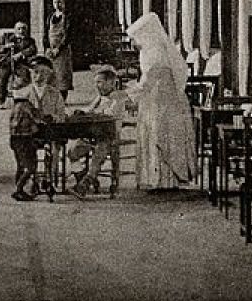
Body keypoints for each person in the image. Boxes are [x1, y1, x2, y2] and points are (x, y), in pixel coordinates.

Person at [127, 12, 196, 191]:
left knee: (160, 133)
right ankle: (157, 179)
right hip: (155, 98)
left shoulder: (156, 51)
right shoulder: (149, 50)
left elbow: (149, 79)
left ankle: (163, 180)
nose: (135, 42)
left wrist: (132, 92)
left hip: (162, 98)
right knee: (154, 134)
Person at [66, 67, 127, 195]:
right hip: (93, 134)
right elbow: (89, 109)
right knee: (73, 151)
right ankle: (82, 177)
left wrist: (95, 112)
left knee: (99, 153)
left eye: (100, 82)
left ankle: (86, 183)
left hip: (109, 136)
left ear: (110, 82)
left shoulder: (119, 97)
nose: (97, 86)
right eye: (96, 82)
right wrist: (81, 112)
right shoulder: (99, 97)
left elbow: (111, 114)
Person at [8, 74, 42, 202]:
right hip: (24, 139)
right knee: (30, 167)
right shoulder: (26, 106)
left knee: (20, 165)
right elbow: (37, 119)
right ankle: (19, 189)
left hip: (15, 139)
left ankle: (21, 188)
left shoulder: (15, 108)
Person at [0, 21, 37, 108]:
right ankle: (1, 101)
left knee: (24, 78)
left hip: (22, 64)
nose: (21, 31)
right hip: (7, 63)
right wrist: (5, 47)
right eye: (19, 29)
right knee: (2, 78)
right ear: (15, 30)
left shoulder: (30, 40)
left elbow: (33, 50)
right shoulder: (7, 38)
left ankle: (23, 100)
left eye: (23, 29)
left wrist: (21, 54)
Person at [45, 0, 73, 100]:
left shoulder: (67, 17)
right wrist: (47, 47)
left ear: (64, 3)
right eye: (55, 3)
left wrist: (59, 48)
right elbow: (46, 33)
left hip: (62, 50)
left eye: (59, 2)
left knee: (62, 76)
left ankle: (62, 99)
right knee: (51, 75)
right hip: (51, 50)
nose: (57, 5)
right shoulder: (50, 17)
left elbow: (68, 35)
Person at [27, 56, 66, 120]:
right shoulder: (24, 94)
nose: (39, 76)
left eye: (43, 72)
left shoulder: (55, 94)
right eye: (36, 72)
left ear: (49, 74)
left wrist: (53, 118)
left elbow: (61, 116)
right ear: (30, 72)